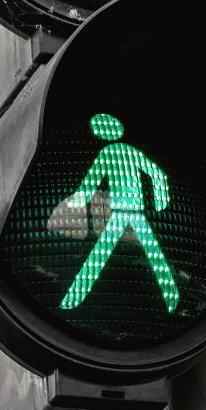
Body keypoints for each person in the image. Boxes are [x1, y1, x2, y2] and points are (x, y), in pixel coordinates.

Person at [59, 113, 180, 313]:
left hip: (122, 212)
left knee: (100, 253)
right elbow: (157, 174)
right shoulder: (132, 152)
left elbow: (92, 179)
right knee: (154, 255)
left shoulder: (108, 152)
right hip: (136, 211)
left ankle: (74, 297)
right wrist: (160, 200)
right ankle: (172, 297)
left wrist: (78, 202)